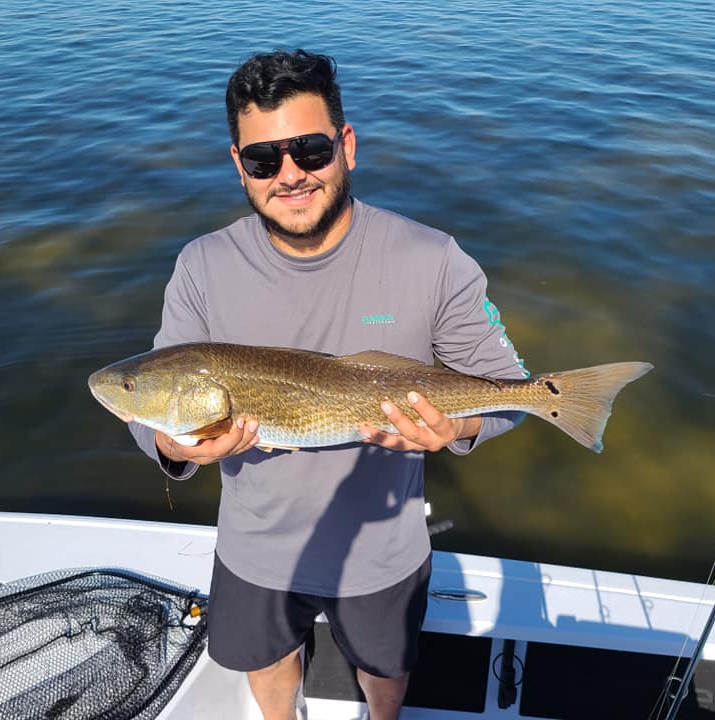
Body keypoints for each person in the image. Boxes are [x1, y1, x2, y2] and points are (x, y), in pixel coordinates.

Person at [129, 49, 528, 720]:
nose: (289, 176)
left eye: (309, 151)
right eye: (263, 161)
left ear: (346, 145)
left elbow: (512, 390)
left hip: (386, 549)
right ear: (239, 166)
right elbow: (153, 405)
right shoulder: (201, 266)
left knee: (386, 670)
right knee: (267, 662)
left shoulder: (433, 259)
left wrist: (458, 427)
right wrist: (176, 451)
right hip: (255, 547)